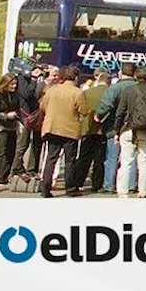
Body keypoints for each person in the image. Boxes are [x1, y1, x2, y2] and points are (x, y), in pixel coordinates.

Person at [37, 65, 88, 198]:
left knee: (51, 159)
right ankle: (70, 188)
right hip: (70, 131)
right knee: (69, 161)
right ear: (76, 78)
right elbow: (84, 110)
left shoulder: (52, 90)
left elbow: (42, 106)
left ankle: (45, 189)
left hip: (52, 128)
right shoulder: (77, 92)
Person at [113, 67, 146, 198]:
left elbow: (120, 113)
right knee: (144, 161)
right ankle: (143, 191)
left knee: (126, 161)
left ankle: (123, 192)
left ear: (135, 77)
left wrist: (117, 130)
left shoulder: (128, 91)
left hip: (128, 129)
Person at [95, 64, 137, 194]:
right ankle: (131, 184)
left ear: (120, 73)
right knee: (131, 158)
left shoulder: (114, 88)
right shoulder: (138, 88)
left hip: (115, 127)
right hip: (135, 126)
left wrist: (98, 114)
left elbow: (106, 105)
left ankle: (109, 185)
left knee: (112, 157)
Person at [73, 71, 110, 194]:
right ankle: (97, 184)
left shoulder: (86, 92)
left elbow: (81, 109)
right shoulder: (109, 93)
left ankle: (78, 182)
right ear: (108, 81)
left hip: (87, 128)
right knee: (99, 160)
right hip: (102, 129)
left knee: (84, 157)